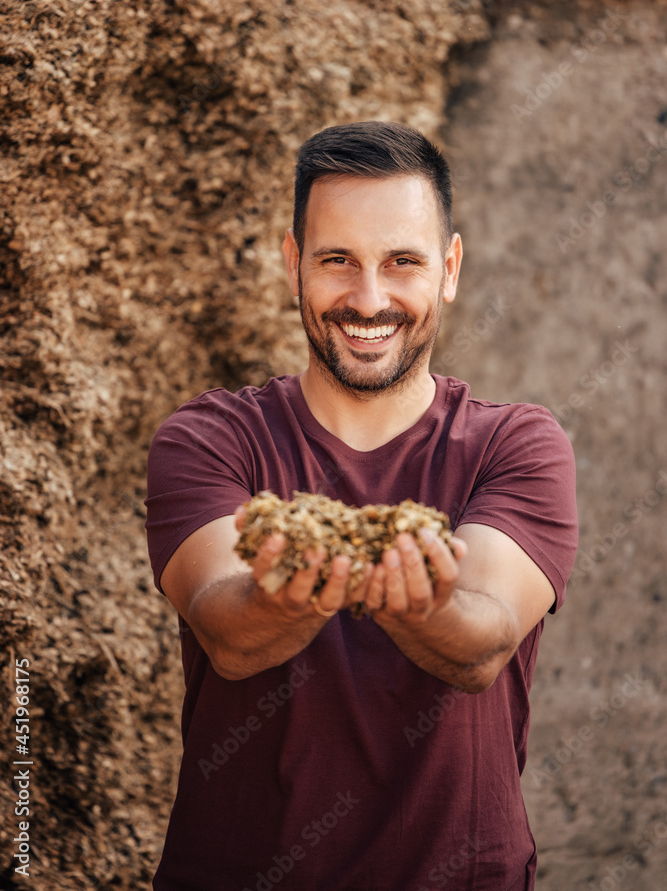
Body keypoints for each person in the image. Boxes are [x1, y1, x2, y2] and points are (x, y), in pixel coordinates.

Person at [145, 121, 578, 891]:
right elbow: (229, 634)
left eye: (401, 262)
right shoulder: (208, 440)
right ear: (292, 265)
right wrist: (328, 572)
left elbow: (479, 645)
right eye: (336, 261)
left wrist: (377, 579)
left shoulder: (516, 446)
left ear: (448, 270)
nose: (368, 298)